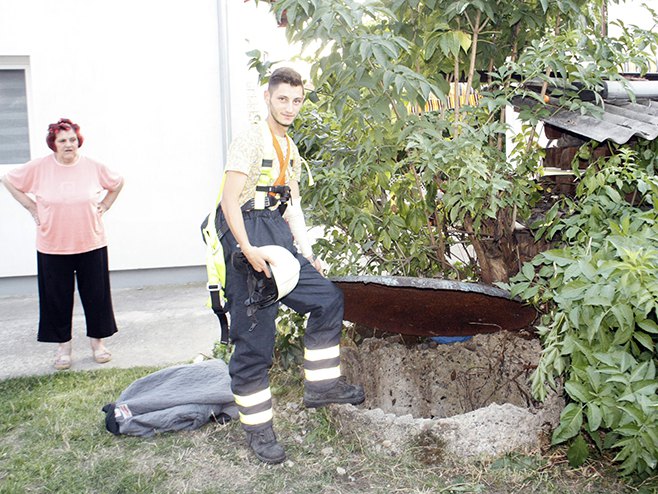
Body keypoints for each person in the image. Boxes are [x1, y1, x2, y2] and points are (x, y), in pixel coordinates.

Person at [217, 67, 365, 464]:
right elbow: (229, 199)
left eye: (296, 100)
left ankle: (322, 386)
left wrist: (308, 251)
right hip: (246, 234)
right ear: (268, 97)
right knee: (255, 342)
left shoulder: (291, 148)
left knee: (328, 299)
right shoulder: (251, 139)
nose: (290, 107)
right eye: (283, 98)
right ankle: (259, 432)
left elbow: (293, 207)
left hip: (277, 236)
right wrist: (246, 248)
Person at [1, 118, 124, 371]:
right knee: (56, 298)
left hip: (91, 241)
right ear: (53, 144)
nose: (69, 144)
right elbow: (8, 179)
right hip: (52, 245)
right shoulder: (39, 168)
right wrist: (31, 206)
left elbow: (117, 182)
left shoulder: (93, 166)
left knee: (96, 296)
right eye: (62, 140)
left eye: (72, 139)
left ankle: (97, 345)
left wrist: (106, 205)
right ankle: (63, 348)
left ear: (78, 141)